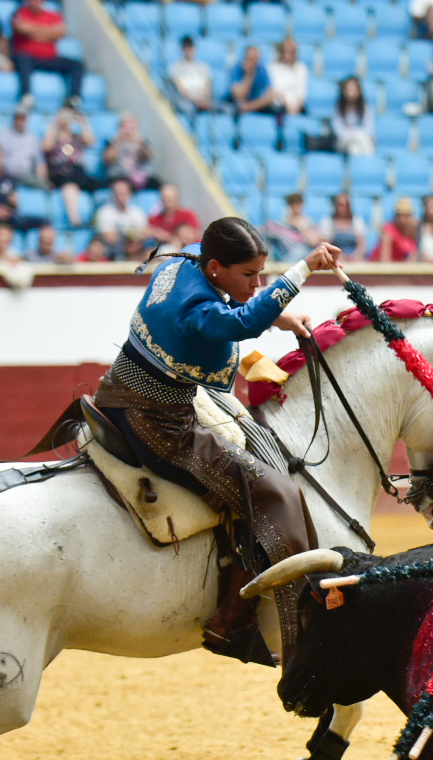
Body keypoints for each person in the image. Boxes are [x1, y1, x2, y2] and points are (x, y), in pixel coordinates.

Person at [92, 221, 337, 660]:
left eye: (261, 273)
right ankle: (247, 622)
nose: (257, 283)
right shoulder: (195, 312)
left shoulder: (186, 259)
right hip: (161, 423)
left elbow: (233, 310)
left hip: (122, 394)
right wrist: (303, 270)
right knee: (276, 492)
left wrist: (275, 314)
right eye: (249, 276)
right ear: (216, 266)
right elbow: (236, 322)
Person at [11, 0, 84, 107]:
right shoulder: (19, 12)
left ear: (42, 0)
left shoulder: (53, 15)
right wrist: (48, 33)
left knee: (77, 64)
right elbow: (20, 28)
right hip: (29, 58)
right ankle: (26, 96)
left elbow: (61, 32)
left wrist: (33, 32)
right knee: (23, 59)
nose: (34, 1)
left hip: (49, 58)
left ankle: (74, 98)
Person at [43, 104, 97, 228]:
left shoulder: (76, 137)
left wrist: (83, 123)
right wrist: (55, 124)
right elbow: (46, 146)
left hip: (78, 171)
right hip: (61, 172)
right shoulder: (55, 136)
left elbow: (90, 141)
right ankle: (74, 218)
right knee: (69, 183)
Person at [0, 141, 47, 232]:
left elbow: (13, 203)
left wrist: (12, 204)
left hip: (8, 216)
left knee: (43, 222)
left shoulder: (9, 178)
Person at [94, 177, 151, 258]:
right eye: (118, 194)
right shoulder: (104, 213)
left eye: (123, 194)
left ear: (130, 194)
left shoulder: (137, 212)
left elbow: (146, 232)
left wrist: (130, 237)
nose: (121, 197)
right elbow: (109, 238)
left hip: (137, 251)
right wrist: (133, 236)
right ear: (113, 195)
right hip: (112, 253)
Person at [0, 107, 49, 188]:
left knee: (44, 185)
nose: (20, 121)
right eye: (18, 118)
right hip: (6, 175)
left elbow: (39, 162)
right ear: (14, 119)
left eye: (23, 118)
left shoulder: (32, 138)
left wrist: (41, 174)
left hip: (26, 177)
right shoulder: (2, 135)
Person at [102, 113, 156, 190]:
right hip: (119, 175)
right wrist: (118, 141)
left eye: (132, 127)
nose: (129, 130)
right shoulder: (112, 140)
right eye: (126, 126)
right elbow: (107, 160)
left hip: (138, 175)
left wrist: (140, 144)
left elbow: (149, 157)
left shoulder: (142, 141)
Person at [264, 192, 320, 261]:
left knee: (300, 249)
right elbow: (264, 230)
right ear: (288, 205)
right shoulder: (280, 223)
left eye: (298, 203)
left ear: (302, 204)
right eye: (292, 203)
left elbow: (314, 242)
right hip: (284, 256)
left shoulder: (309, 222)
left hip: (303, 258)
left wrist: (300, 226)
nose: (295, 206)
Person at [168, 34, 213, 115]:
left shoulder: (203, 67)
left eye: (190, 47)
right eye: (186, 48)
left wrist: (203, 99)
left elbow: (207, 86)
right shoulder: (175, 68)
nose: (188, 51)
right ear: (182, 49)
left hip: (201, 100)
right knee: (187, 107)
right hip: (186, 101)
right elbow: (181, 89)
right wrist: (196, 100)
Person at [147, 183, 199, 251]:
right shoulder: (154, 220)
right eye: (165, 197)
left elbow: (192, 237)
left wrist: (166, 237)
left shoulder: (188, 215)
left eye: (171, 197)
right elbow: (147, 232)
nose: (168, 200)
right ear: (161, 199)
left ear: (177, 198)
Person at [331, 76, 374, 155]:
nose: (350, 92)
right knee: (357, 145)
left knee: (354, 149)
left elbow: (368, 129)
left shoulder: (365, 107)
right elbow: (337, 129)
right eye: (348, 89)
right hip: (344, 141)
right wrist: (352, 133)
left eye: (353, 89)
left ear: (358, 90)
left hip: (361, 140)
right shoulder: (338, 107)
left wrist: (353, 131)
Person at [320, 191, 366, 260]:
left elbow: (361, 246)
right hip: (335, 259)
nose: (343, 208)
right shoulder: (328, 221)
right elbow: (326, 246)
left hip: (355, 259)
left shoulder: (357, 220)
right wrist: (338, 257)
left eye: (346, 205)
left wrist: (355, 257)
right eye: (340, 205)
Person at [376, 196, 420, 260]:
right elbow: (384, 261)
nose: (402, 219)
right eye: (399, 215)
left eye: (406, 215)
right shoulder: (388, 231)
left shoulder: (413, 231)